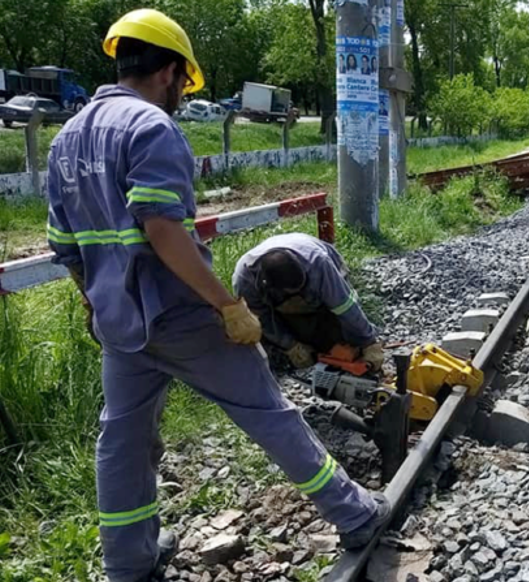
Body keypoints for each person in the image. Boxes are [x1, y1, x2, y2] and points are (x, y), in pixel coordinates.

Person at [45, 9, 390, 582]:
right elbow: (162, 228)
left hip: (120, 326)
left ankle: (128, 565)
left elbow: (67, 248)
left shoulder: (66, 140)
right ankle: (354, 513)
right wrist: (226, 305)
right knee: (268, 411)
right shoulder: (150, 127)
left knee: (122, 442)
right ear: (171, 71)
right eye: (184, 81)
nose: (182, 92)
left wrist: (94, 302)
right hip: (181, 313)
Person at [232, 233, 384, 371]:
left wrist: (368, 342)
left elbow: (344, 306)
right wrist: (291, 346)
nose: (298, 299)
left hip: (320, 270)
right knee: (264, 338)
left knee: (341, 340)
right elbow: (261, 319)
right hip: (271, 299)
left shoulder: (319, 265)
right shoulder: (245, 280)